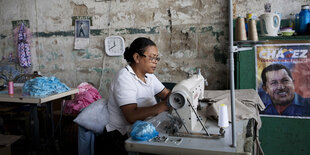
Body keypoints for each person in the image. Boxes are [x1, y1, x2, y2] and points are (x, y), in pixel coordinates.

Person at [95, 37, 171, 154]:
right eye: (151, 58)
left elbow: (167, 95)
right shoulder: (124, 78)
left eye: (157, 58)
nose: (155, 61)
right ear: (137, 57)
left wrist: (178, 96)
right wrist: (161, 106)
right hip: (121, 136)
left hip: (144, 128)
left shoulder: (149, 76)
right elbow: (131, 116)